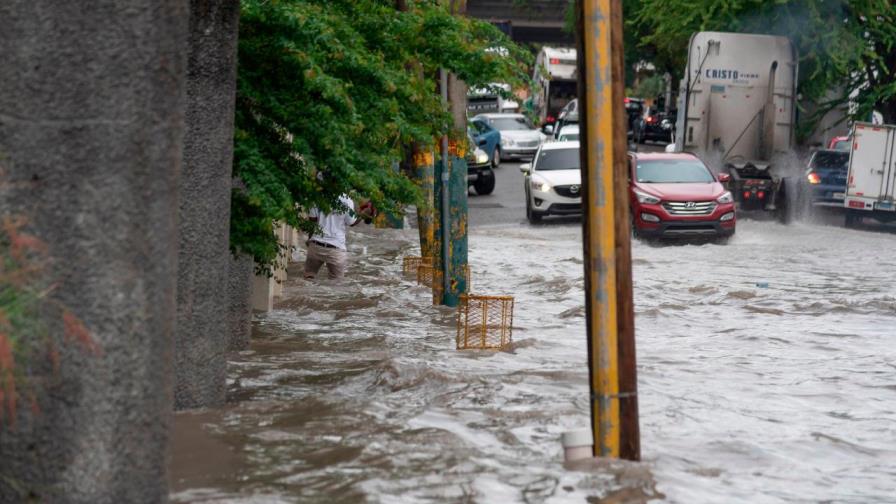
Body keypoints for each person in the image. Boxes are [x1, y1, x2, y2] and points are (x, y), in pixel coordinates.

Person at [303, 195, 375, 280]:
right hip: (336, 248)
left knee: (309, 278)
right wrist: (363, 214)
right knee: (337, 285)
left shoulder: (317, 196)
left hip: (316, 244)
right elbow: (351, 222)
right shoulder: (347, 200)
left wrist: (310, 239)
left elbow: (312, 221)